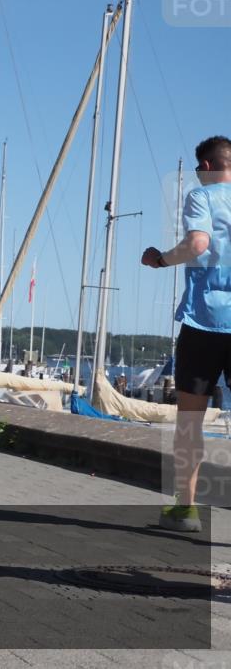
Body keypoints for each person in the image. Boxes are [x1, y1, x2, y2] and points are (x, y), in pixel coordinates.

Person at [141, 135, 231, 533]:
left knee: (189, 422)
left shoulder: (203, 197)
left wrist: (161, 260)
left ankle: (186, 510)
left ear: (208, 167)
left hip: (204, 324)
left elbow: (197, 243)